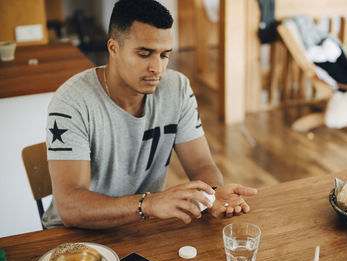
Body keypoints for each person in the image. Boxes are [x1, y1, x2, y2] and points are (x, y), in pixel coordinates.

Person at [43, 0, 257, 229]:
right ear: (113, 48)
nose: (158, 68)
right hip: (74, 236)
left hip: (142, 227)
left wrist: (211, 195)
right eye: (145, 54)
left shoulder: (177, 88)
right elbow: (70, 207)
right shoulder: (72, 101)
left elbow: (202, 165)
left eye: (164, 55)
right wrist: (148, 203)